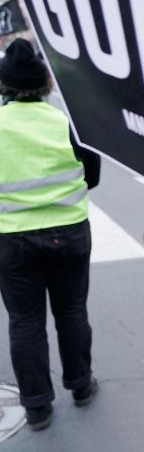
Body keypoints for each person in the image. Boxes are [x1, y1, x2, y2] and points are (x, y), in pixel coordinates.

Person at [0, 39, 101, 430]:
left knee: (25, 322)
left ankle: (38, 407)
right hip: (69, 231)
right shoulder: (66, 122)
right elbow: (91, 174)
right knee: (72, 311)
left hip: (11, 239)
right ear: (45, 83)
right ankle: (80, 385)